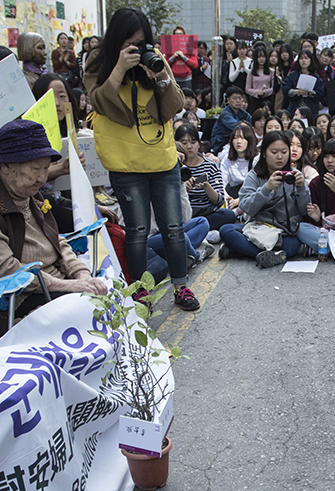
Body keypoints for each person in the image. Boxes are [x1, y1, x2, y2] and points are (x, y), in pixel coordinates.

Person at [0, 120, 107, 347]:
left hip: (52, 285)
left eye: (45, 168)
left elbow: (56, 240)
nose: (42, 177)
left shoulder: (28, 192)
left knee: (111, 298)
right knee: (91, 311)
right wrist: (70, 286)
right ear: (6, 165)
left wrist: (81, 275)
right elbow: (4, 269)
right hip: (12, 299)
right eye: (34, 168)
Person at [83, 7, 199, 311]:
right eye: (128, 44)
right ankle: (138, 292)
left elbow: (174, 105)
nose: (136, 49)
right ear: (116, 42)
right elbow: (100, 103)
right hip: (125, 162)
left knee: (173, 227)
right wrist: (120, 68)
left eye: (141, 43)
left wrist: (160, 75)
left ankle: (181, 287)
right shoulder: (99, 63)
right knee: (136, 230)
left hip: (162, 160)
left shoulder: (155, 60)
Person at [219, 130, 310, 268]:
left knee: (293, 246)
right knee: (226, 230)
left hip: (283, 231)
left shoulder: (295, 175)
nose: (279, 156)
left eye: (284, 152)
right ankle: (268, 255)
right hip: (258, 227)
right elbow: (245, 206)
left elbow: (304, 210)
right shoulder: (254, 176)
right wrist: (266, 188)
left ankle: (240, 250)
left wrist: (302, 188)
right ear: (264, 153)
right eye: (274, 152)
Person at [176, 123, 236, 232]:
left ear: (199, 144)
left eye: (193, 142)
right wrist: (182, 186)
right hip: (181, 213)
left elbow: (219, 200)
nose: (189, 146)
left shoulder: (210, 165)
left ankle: (197, 229)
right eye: (184, 143)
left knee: (228, 215)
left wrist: (206, 186)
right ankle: (199, 230)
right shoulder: (174, 166)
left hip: (206, 213)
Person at [210, 86, 253, 155]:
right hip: (222, 144)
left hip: (236, 142)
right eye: (235, 98)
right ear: (228, 100)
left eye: (240, 98)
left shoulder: (242, 112)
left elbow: (252, 120)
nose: (238, 101)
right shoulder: (225, 113)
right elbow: (237, 127)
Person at [281, 50, 325, 115]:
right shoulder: (292, 75)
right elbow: (284, 87)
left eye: (306, 58)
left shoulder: (316, 77)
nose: (303, 61)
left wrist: (310, 92)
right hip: (294, 108)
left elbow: (320, 93)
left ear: (311, 60)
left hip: (311, 109)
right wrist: (296, 91)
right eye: (301, 58)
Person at [165, 25, 198, 92]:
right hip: (174, 78)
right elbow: (165, 64)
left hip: (187, 79)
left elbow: (195, 65)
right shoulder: (169, 47)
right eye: (176, 34)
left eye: (180, 34)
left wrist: (183, 57)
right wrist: (173, 57)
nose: (178, 36)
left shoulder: (189, 46)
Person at [246, 44, 275, 111]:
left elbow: (273, 88)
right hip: (255, 100)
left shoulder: (271, 72)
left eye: (263, 56)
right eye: (259, 57)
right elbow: (247, 88)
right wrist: (257, 92)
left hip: (267, 100)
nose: (261, 59)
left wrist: (265, 92)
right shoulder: (251, 72)